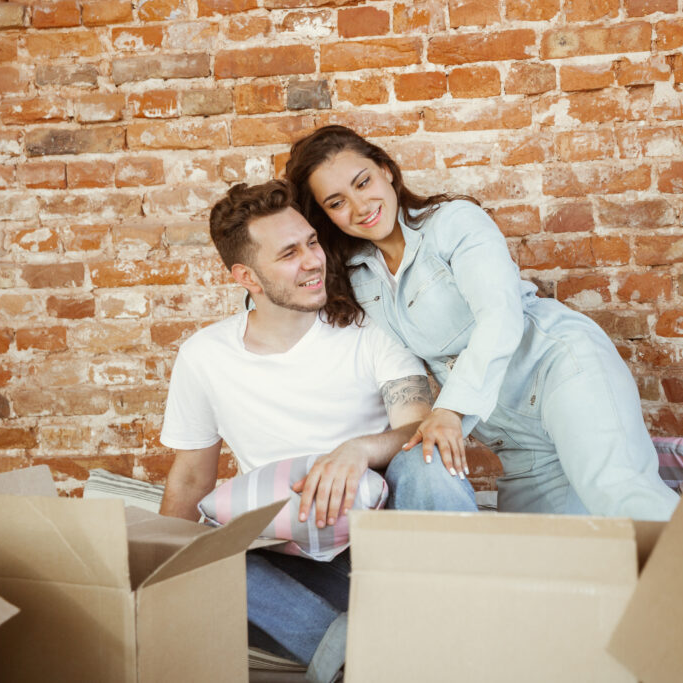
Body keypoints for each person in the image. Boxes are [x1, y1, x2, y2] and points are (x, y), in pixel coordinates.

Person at [158, 179, 476, 682]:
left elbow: (416, 425)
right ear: (248, 276)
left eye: (312, 242)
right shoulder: (204, 355)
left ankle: (464, 621)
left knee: (428, 456)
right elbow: (191, 479)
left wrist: (356, 451)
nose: (313, 260)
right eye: (289, 253)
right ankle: (369, 657)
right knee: (199, 557)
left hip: (387, 554)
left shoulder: (369, 329)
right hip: (295, 570)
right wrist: (161, 576)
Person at [285, 125, 679, 521]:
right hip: (510, 433)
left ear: (386, 170)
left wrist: (451, 412)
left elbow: (500, 315)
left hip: (562, 374)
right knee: (538, 558)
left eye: (363, 182)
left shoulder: (453, 222)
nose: (358, 206)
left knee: (624, 498)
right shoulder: (355, 276)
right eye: (336, 202)